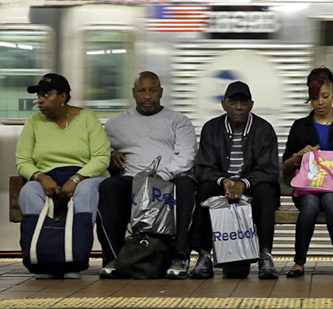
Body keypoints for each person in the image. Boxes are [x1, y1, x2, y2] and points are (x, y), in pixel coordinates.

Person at [96, 71, 198, 279]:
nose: (147, 96)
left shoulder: (178, 120)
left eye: (152, 91)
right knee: (109, 186)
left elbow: (187, 156)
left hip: (168, 181)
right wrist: (110, 155)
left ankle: (180, 256)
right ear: (134, 93)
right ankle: (112, 258)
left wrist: (161, 175)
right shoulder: (116, 124)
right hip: (133, 182)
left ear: (161, 92)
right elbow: (98, 150)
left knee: (187, 185)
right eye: (142, 91)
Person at [16, 73, 110, 279]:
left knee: (84, 192)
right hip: (47, 178)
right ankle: (39, 260)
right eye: (39, 95)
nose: (40, 100)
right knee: (28, 193)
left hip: (86, 177)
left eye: (46, 95)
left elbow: (101, 157)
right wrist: (40, 177)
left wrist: (77, 178)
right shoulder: (33, 122)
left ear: (63, 97)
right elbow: (22, 161)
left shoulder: (87, 119)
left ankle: (74, 259)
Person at [190, 81, 280, 279]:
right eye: (233, 102)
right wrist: (224, 181)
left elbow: (269, 170)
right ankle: (204, 256)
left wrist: (243, 183)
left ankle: (265, 256)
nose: (238, 107)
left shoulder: (264, 130)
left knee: (266, 192)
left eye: (243, 102)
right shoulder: (211, 129)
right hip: (222, 186)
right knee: (204, 190)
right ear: (224, 104)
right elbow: (204, 168)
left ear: (251, 105)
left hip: (252, 188)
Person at [282, 67, 333, 278]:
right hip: (308, 189)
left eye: (325, 96)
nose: (320, 102)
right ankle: (299, 263)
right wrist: (298, 157)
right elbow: (285, 169)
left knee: (329, 200)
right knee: (310, 204)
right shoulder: (300, 127)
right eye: (315, 98)